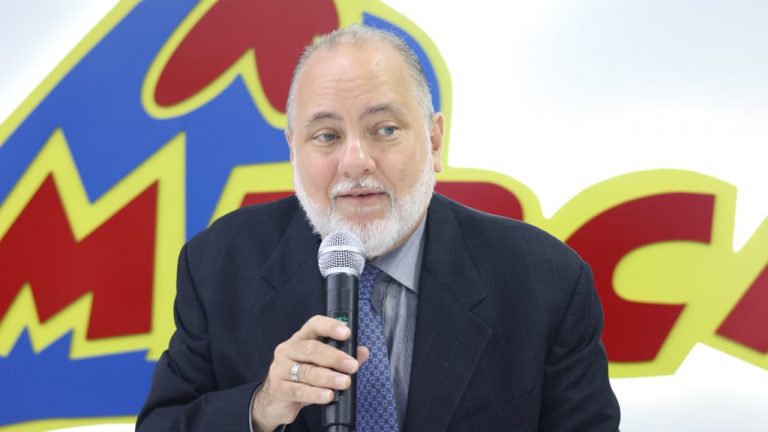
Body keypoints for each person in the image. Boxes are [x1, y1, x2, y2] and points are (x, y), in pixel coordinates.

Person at [137, 24, 620, 431]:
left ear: (434, 140)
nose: (355, 162)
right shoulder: (218, 263)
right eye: (327, 135)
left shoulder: (547, 281)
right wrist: (262, 407)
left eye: (385, 129)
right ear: (293, 150)